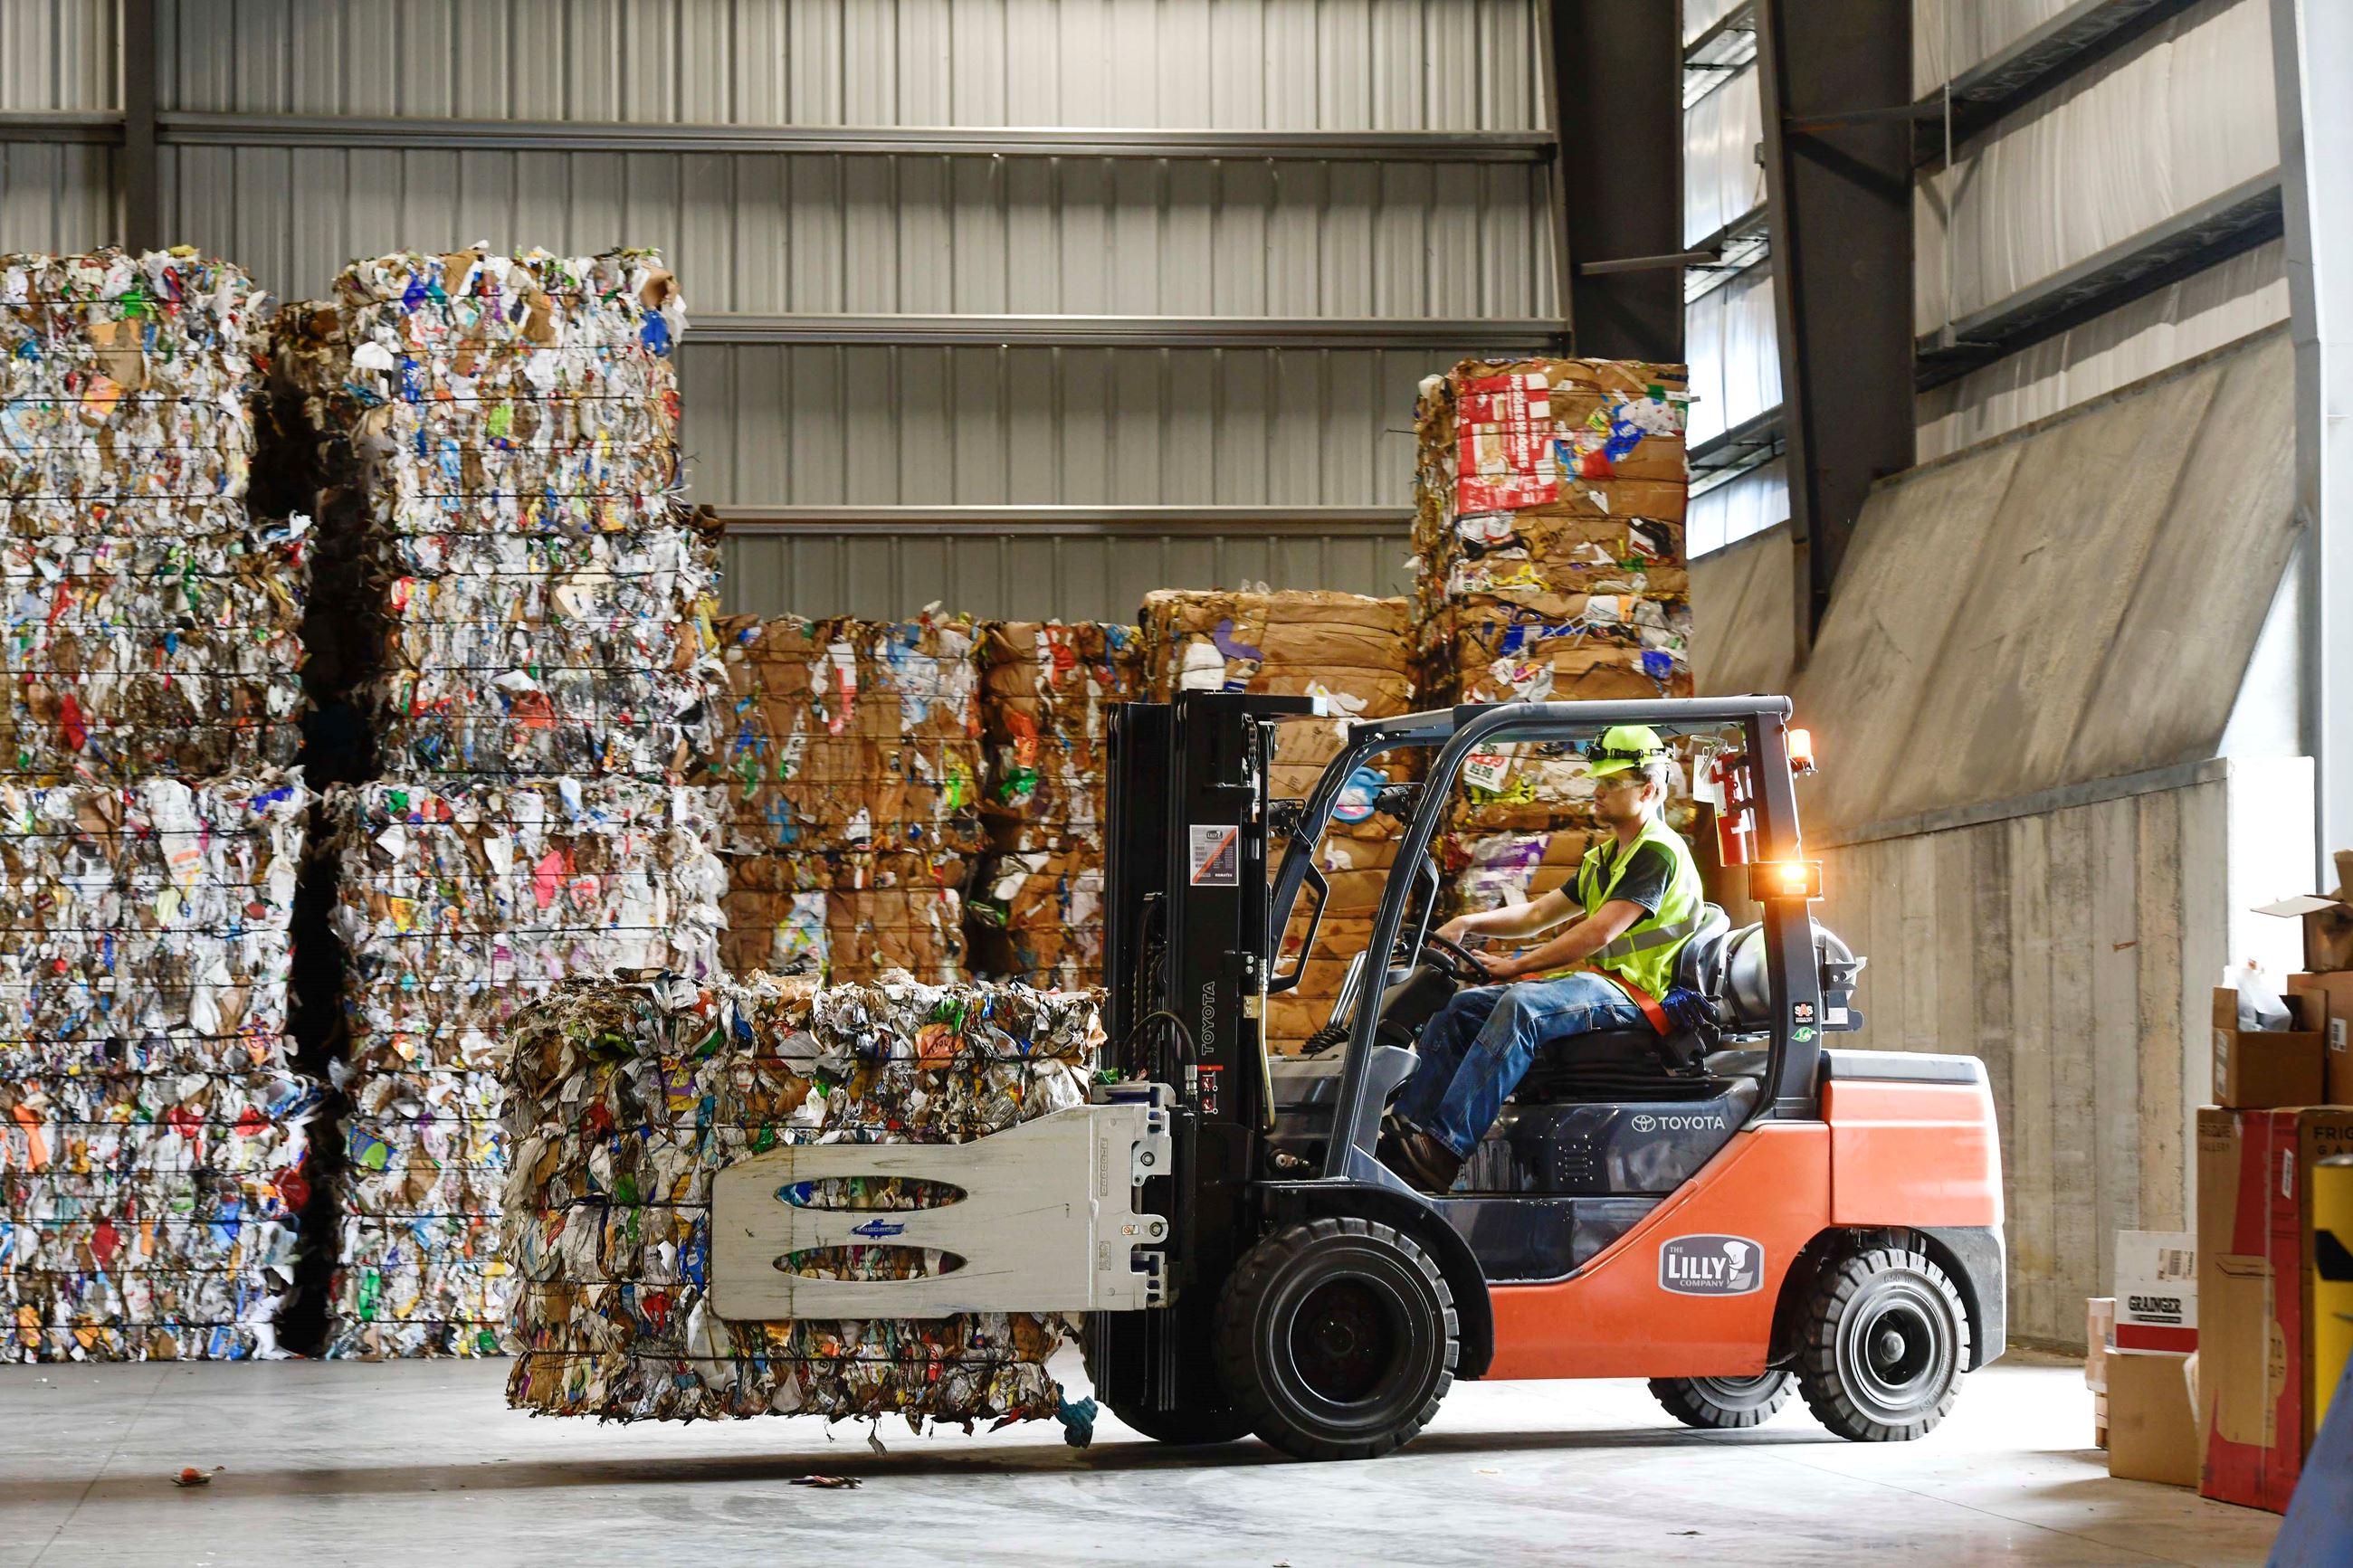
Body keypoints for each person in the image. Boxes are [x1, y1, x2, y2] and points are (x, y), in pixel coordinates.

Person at [1382, 726, 1703, 1192]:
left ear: (1649, 789)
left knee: (1523, 1007)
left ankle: (1444, 1149)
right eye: (1599, 780)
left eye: (1612, 783)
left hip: (1638, 993)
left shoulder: (1656, 853)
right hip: (1599, 983)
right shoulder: (1605, 858)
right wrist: (1467, 923)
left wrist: (1515, 968)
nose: (1598, 791)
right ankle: (1408, 1133)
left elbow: (1599, 931)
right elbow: (1535, 914)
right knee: (1460, 1009)